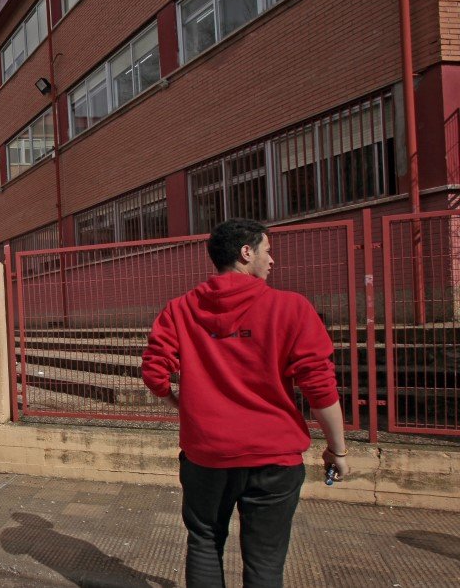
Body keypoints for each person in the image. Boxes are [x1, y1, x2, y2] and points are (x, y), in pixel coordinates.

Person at [142, 218, 349, 588]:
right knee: (265, 561)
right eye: (267, 251)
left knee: (205, 541)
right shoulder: (291, 308)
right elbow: (319, 387)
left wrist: (174, 401)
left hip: (207, 455)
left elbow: (154, 371)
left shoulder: (180, 309)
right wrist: (338, 450)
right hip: (274, 457)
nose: (272, 260)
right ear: (246, 252)